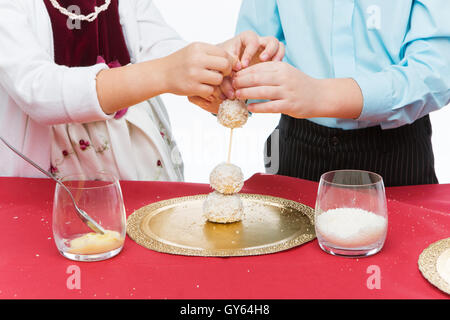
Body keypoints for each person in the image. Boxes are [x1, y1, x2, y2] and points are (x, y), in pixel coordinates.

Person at [0, 0, 283, 181]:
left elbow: (163, 49)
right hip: (55, 173)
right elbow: (38, 90)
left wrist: (221, 67)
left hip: (136, 160)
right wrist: (165, 72)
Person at [228, 0, 450, 187]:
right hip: (297, 148)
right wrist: (226, 85)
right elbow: (252, 52)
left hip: (399, 154)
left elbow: (436, 72)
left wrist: (319, 95)